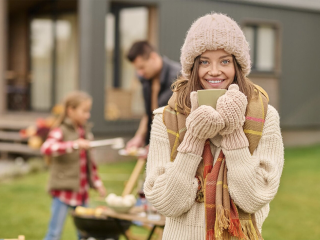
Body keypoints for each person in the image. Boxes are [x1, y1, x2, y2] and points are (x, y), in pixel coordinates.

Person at [144, 13, 284, 240]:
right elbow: (167, 204)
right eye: (204, 61)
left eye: (225, 61)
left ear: (237, 65)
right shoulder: (165, 119)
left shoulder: (265, 117)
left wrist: (233, 131)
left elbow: (253, 198)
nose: (215, 71)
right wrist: (194, 139)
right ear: (192, 67)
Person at [41, 91, 106, 240]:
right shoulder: (60, 130)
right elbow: (46, 148)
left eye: (88, 111)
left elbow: (91, 164)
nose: (87, 115)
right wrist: (74, 144)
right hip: (63, 193)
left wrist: (97, 183)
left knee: (85, 234)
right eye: (84, 111)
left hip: (81, 193)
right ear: (71, 110)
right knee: (54, 233)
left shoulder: (85, 133)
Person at [125, 41, 181, 154]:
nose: (139, 73)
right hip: (155, 141)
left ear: (153, 57)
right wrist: (139, 137)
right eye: (137, 69)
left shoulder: (179, 76)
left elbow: (178, 117)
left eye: (142, 67)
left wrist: (160, 143)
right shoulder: (146, 79)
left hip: (174, 145)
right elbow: (150, 113)